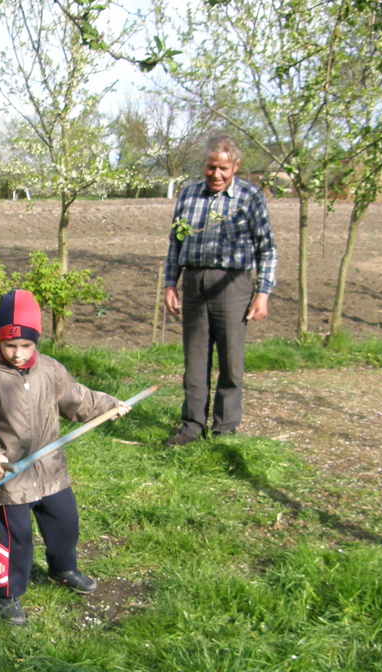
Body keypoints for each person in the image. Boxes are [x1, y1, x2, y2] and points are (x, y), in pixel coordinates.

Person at [0, 289, 131, 625]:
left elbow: (78, 399)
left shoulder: (50, 370)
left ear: (36, 342)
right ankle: (9, 595)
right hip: (10, 480)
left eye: (26, 346)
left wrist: (110, 405)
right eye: (10, 346)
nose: (18, 354)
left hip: (50, 471)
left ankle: (62, 568)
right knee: (16, 539)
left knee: (66, 524)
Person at [162, 134, 278, 446]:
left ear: (236, 167)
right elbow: (175, 244)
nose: (216, 174)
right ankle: (191, 427)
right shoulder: (188, 195)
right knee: (195, 361)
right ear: (204, 165)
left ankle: (224, 429)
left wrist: (263, 292)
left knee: (231, 361)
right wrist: (170, 284)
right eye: (211, 167)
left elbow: (267, 249)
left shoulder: (250, 197)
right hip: (195, 283)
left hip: (233, 284)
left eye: (224, 169)